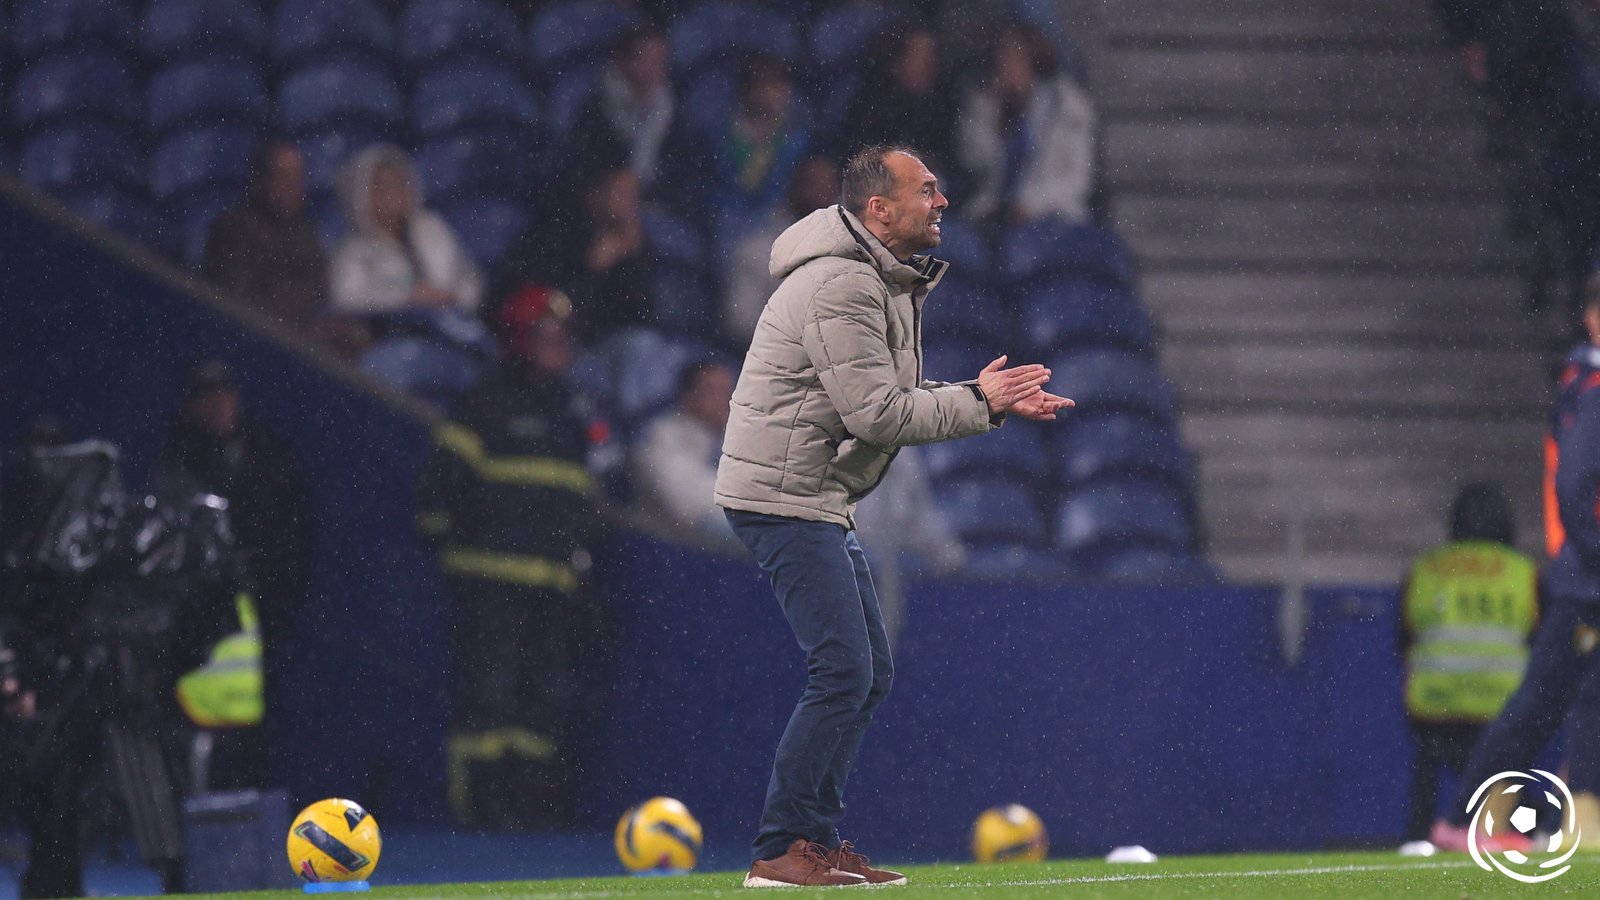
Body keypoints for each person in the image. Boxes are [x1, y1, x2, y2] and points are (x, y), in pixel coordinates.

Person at [714, 146, 1071, 887]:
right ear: (879, 209)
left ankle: (814, 841)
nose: (942, 202)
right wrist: (979, 402)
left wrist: (983, 398)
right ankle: (781, 849)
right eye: (926, 190)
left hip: (814, 493)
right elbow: (877, 414)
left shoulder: (875, 275)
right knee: (844, 669)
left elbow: (881, 398)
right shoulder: (842, 283)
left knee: (865, 671)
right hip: (784, 495)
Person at [414, 285, 611, 830]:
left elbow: (586, 497)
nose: (557, 346)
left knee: (542, 702)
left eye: (562, 337)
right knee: (486, 699)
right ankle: (479, 814)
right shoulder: (484, 403)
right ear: (519, 339)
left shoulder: (573, 412)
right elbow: (436, 494)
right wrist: (460, 554)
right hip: (487, 585)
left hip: (551, 586)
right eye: (545, 335)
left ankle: (528, 812)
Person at [1430, 291, 1600, 852]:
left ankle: (1483, 816)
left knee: (1556, 702)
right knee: (1553, 703)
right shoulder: (1593, 389)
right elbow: (1573, 488)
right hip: (1587, 582)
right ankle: (1483, 817)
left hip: (1582, 576)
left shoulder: (1582, 383)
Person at [149, 360, 314, 791]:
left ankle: (251, 795)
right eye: (206, 396)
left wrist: (272, 582)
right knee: (189, 730)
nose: (217, 405)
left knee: (259, 728)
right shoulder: (180, 459)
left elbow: (295, 527)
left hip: (262, 612)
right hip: (198, 617)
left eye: (223, 393)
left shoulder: (268, 452)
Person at [1397, 483, 1537, 846]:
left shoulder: (1425, 570)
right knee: (1511, 769)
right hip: (1499, 711)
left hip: (1434, 710)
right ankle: (1520, 832)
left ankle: (1419, 837)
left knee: (1426, 774)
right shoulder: (1524, 574)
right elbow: (1543, 646)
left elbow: (1404, 637)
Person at [493, 163, 655, 343]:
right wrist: (593, 268)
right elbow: (549, 299)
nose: (628, 202)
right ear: (595, 193)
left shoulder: (632, 246)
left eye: (634, 195)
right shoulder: (560, 231)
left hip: (604, 343)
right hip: (551, 338)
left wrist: (634, 260)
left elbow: (642, 317)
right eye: (619, 192)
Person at [955, 25, 1097, 228]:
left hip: (1055, 215)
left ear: (1033, 60)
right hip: (994, 215)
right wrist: (988, 107)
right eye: (1001, 56)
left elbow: (1078, 180)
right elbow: (973, 161)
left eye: (1014, 57)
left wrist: (1031, 205)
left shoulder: (1067, 105)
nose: (1005, 64)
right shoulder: (985, 103)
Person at [329, 143, 483, 316]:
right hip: (392, 328)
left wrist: (453, 297)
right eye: (380, 186)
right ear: (361, 195)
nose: (391, 193)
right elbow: (346, 300)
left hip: (449, 321)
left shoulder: (433, 227)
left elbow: (468, 278)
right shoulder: (353, 250)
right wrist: (407, 299)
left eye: (398, 183)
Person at [200, 139, 327, 333]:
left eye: (297, 177)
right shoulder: (233, 228)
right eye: (283, 176)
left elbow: (318, 291)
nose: (291, 186)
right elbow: (234, 299)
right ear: (262, 180)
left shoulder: (306, 230)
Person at [722, 155, 839, 344]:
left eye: (828, 185)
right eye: (812, 183)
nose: (820, 193)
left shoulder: (860, 249)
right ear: (794, 187)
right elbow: (742, 323)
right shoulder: (756, 252)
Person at [632, 361, 737, 545]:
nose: (724, 400)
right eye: (713, 391)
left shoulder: (733, 440)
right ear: (689, 395)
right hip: (669, 545)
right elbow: (686, 503)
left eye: (728, 392)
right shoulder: (661, 437)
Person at [564, 26, 675, 191]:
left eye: (662, 60)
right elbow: (580, 167)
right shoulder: (594, 104)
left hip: (656, 197)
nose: (660, 68)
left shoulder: (669, 107)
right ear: (624, 61)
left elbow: (685, 168)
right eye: (652, 60)